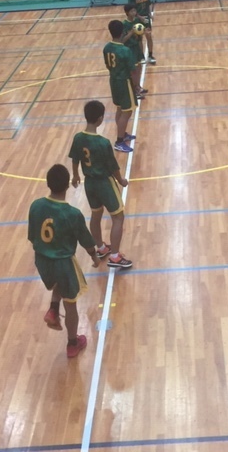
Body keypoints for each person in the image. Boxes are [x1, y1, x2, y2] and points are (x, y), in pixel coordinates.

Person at [27, 163, 100, 358]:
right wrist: (94, 256)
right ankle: (73, 343)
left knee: (57, 282)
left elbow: (32, 237)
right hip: (63, 264)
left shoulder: (35, 206)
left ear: (48, 183)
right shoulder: (72, 214)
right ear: (67, 185)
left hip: (42, 261)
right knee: (71, 303)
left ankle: (53, 309)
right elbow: (86, 240)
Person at [69, 100, 133, 269]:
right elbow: (113, 167)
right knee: (118, 217)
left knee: (95, 215)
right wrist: (121, 180)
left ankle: (101, 248)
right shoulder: (102, 143)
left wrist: (75, 176)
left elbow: (75, 158)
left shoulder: (78, 138)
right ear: (100, 119)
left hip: (89, 183)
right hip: (104, 183)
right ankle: (115, 257)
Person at [103, 20, 138, 152]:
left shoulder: (107, 47)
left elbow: (107, 65)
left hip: (113, 80)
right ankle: (119, 141)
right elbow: (133, 71)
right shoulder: (125, 50)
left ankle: (122, 134)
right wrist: (136, 86)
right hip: (124, 82)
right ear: (123, 32)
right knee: (127, 111)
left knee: (119, 108)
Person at [129, 0, 155, 64]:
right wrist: (140, 17)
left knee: (149, 36)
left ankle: (150, 55)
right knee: (139, 38)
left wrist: (150, 14)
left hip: (146, 18)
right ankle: (141, 56)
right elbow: (131, 9)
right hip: (137, 19)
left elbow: (148, 4)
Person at [122, 3, 147, 99]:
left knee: (139, 68)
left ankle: (138, 86)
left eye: (135, 10)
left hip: (137, 48)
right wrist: (131, 33)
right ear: (127, 13)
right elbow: (123, 40)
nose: (134, 12)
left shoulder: (137, 21)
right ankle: (134, 90)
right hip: (130, 49)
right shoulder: (124, 24)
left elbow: (140, 37)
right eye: (132, 11)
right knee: (133, 71)